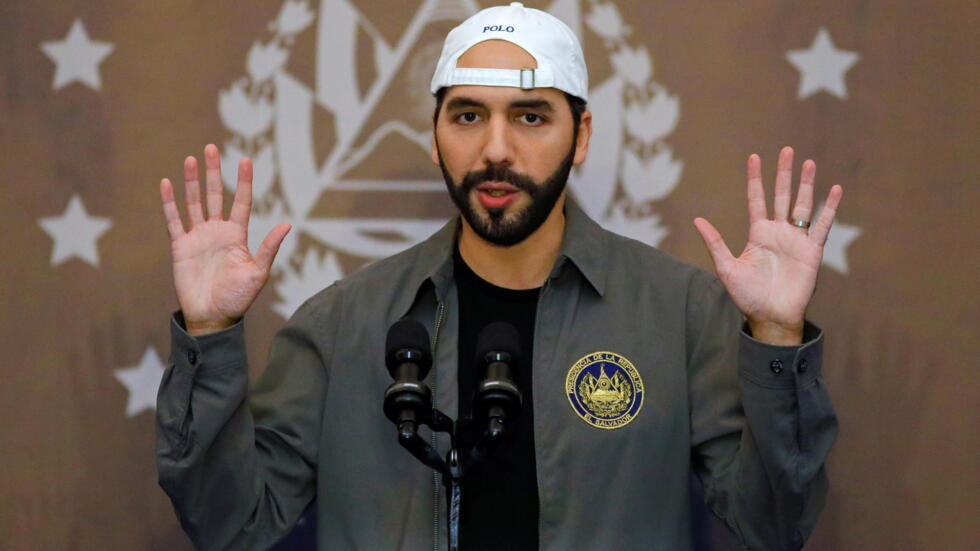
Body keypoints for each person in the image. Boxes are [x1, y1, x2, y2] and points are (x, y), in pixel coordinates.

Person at [155, 3, 843, 550]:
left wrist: (777, 337)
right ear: (434, 135)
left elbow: (771, 525)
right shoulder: (343, 323)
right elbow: (231, 524)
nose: (495, 149)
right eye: (468, 115)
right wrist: (209, 333)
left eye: (530, 116)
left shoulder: (680, 312)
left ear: (581, 135)